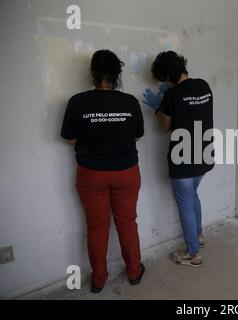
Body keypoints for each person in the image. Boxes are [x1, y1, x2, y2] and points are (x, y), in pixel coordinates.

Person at [61, 50, 145, 293]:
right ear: (117, 74)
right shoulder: (130, 102)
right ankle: (134, 272)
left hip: (91, 174)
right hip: (126, 172)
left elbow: (68, 138)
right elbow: (137, 135)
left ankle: (98, 280)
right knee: (128, 223)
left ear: (92, 74)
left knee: (96, 228)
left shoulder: (77, 102)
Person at [143, 51, 214, 268]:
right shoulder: (203, 85)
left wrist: (159, 107)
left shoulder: (172, 96)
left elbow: (165, 127)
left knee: (185, 204)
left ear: (167, 76)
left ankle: (193, 254)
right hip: (203, 152)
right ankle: (199, 235)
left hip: (182, 157)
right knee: (193, 195)